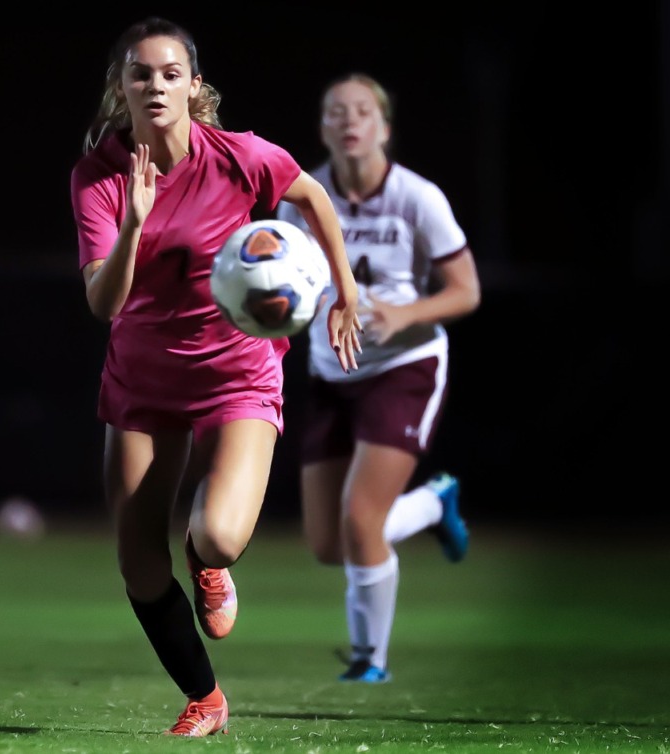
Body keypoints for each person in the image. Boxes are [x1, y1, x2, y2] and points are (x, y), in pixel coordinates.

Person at [70, 17, 363, 738]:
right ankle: (205, 698)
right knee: (139, 564)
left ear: (193, 86)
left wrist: (344, 291)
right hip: (143, 384)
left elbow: (313, 199)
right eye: (141, 73)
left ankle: (208, 562)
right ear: (122, 87)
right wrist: (134, 225)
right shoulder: (100, 176)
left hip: (238, 375)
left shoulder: (240, 156)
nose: (156, 85)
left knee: (219, 536)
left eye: (171, 73)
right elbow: (102, 304)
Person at [276, 72, 482, 683]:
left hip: (405, 365)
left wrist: (404, 313)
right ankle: (432, 502)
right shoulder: (302, 199)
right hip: (329, 370)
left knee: (361, 521)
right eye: (335, 111)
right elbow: (286, 284)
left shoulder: (417, 198)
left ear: (384, 127)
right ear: (322, 128)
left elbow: (467, 291)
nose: (348, 121)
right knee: (327, 544)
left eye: (362, 111)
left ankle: (372, 661)